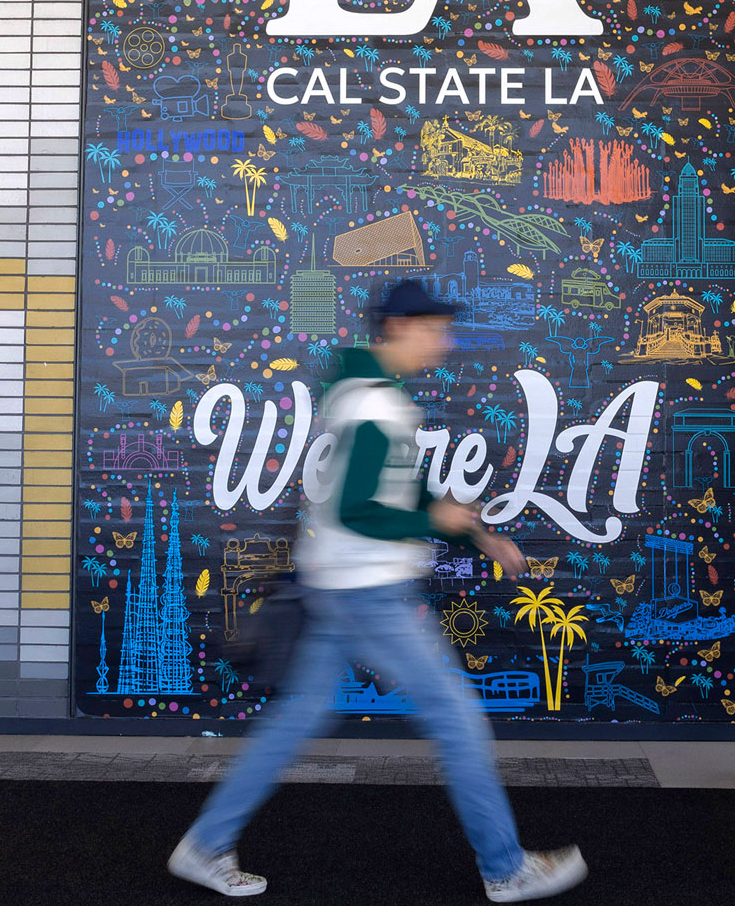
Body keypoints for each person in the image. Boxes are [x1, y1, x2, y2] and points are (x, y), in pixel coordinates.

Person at [168, 279, 588, 901]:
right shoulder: (376, 407)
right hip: (367, 591)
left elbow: (405, 494)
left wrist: (479, 537)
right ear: (397, 328)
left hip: (336, 585)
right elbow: (359, 511)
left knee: (297, 720)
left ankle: (203, 845)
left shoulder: (363, 394)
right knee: (457, 718)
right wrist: (434, 523)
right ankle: (506, 869)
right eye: (433, 328)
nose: (443, 341)